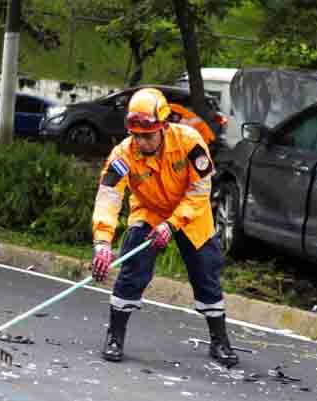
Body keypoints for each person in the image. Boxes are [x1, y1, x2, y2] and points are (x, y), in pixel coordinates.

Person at [90, 87, 238, 366]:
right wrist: (102, 243)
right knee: (132, 271)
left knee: (206, 273)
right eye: (136, 135)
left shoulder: (189, 142)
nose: (141, 142)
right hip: (149, 212)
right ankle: (114, 336)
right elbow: (108, 198)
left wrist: (172, 224)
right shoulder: (123, 155)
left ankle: (220, 340)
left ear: (164, 126)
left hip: (191, 214)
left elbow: (200, 190)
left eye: (148, 135)